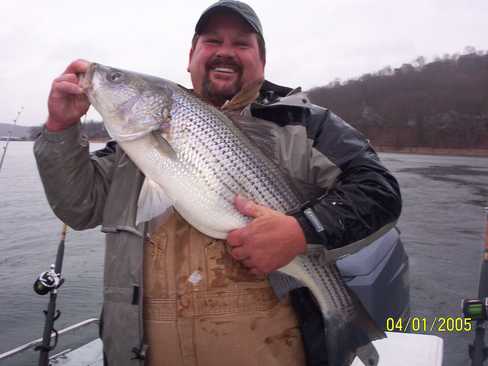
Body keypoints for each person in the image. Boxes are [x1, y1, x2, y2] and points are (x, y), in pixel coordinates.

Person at [34, 1, 402, 365]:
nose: (225, 52)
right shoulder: (131, 147)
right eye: (212, 41)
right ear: (191, 56)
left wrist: (301, 231)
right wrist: (60, 130)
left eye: (242, 43)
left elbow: (379, 191)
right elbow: (78, 207)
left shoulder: (306, 126)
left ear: (262, 60)